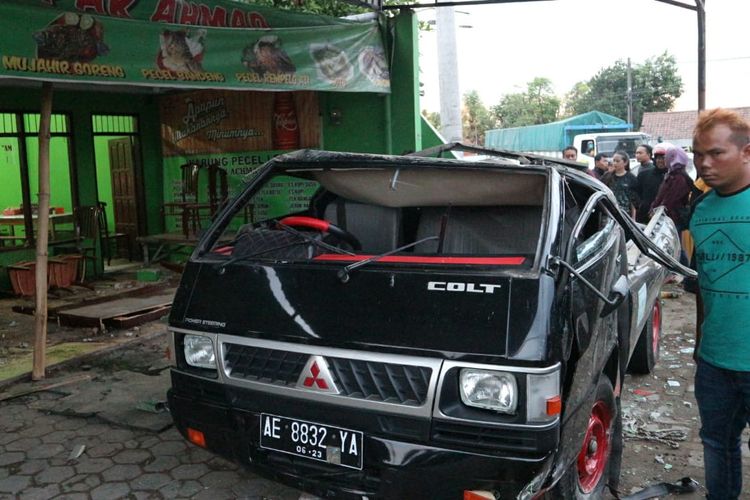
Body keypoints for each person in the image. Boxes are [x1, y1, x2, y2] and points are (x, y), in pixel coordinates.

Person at [689, 108, 750, 500]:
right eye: (697, 154)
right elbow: (703, 285)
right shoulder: (702, 212)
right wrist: (699, 342)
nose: (704, 165)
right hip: (715, 362)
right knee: (717, 444)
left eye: (715, 153)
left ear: (746, 152)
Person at [650, 147, 693, 231]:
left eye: (667, 156)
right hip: (667, 218)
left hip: (673, 219)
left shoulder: (679, 178)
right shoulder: (671, 174)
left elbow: (670, 199)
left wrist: (657, 211)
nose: (665, 159)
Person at [636, 143, 669, 223]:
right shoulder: (644, 175)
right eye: (658, 158)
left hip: (666, 216)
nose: (660, 161)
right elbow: (637, 194)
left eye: (663, 158)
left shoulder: (672, 176)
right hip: (646, 215)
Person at [602, 150, 639, 217]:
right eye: (614, 161)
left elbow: (634, 201)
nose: (615, 163)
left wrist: (633, 218)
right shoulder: (607, 176)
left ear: (625, 163)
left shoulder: (631, 178)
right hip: (609, 213)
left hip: (625, 214)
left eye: (617, 161)